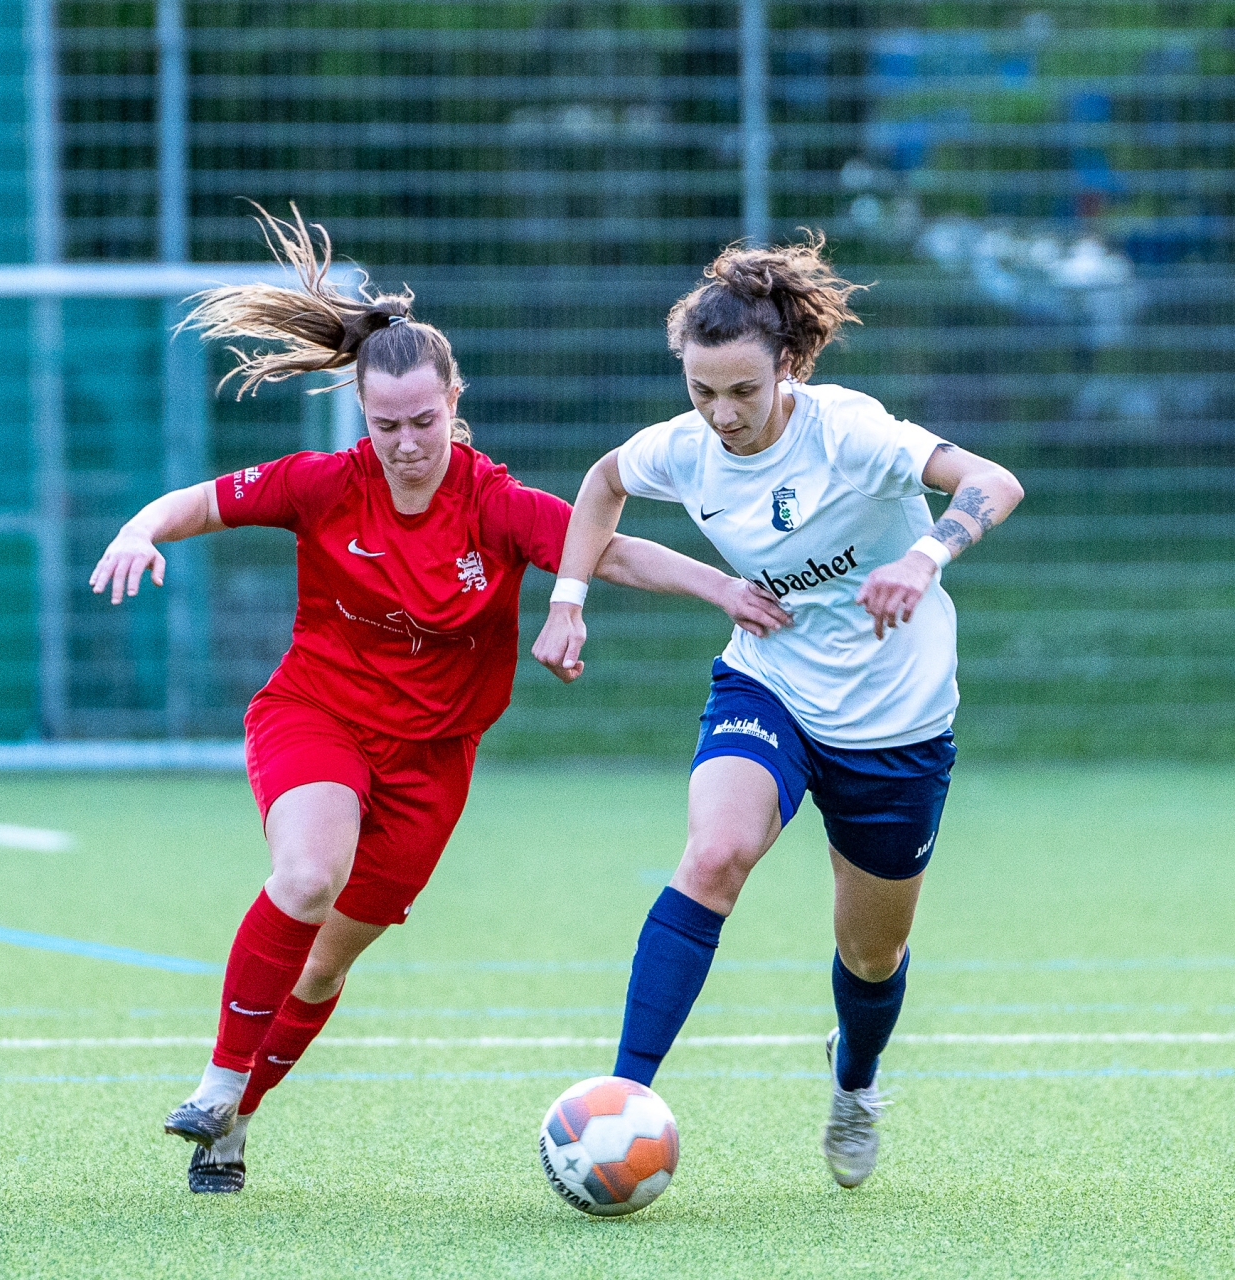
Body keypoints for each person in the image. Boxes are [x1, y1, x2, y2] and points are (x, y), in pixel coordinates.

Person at [90, 206, 748, 1194]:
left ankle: (233, 1121)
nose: (405, 443)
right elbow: (202, 500)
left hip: (433, 760)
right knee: (306, 876)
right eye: (385, 423)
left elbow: (606, 547)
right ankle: (218, 1077)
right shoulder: (322, 484)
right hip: (316, 714)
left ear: (454, 402)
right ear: (362, 410)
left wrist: (723, 586)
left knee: (320, 967)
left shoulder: (493, 502)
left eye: (423, 421)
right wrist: (142, 530)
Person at [532, 235, 1024, 1189]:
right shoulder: (685, 447)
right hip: (771, 686)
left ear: (787, 368)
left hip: (897, 720)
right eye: (701, 391)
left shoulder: (850, 431)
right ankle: (622, 1100)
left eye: (741, 393)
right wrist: (567, 601)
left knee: (870, 954)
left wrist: (923, 558)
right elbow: (602, 485)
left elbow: (991, 483)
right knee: (714, 856)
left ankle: (855, 1078)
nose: (720, 415)